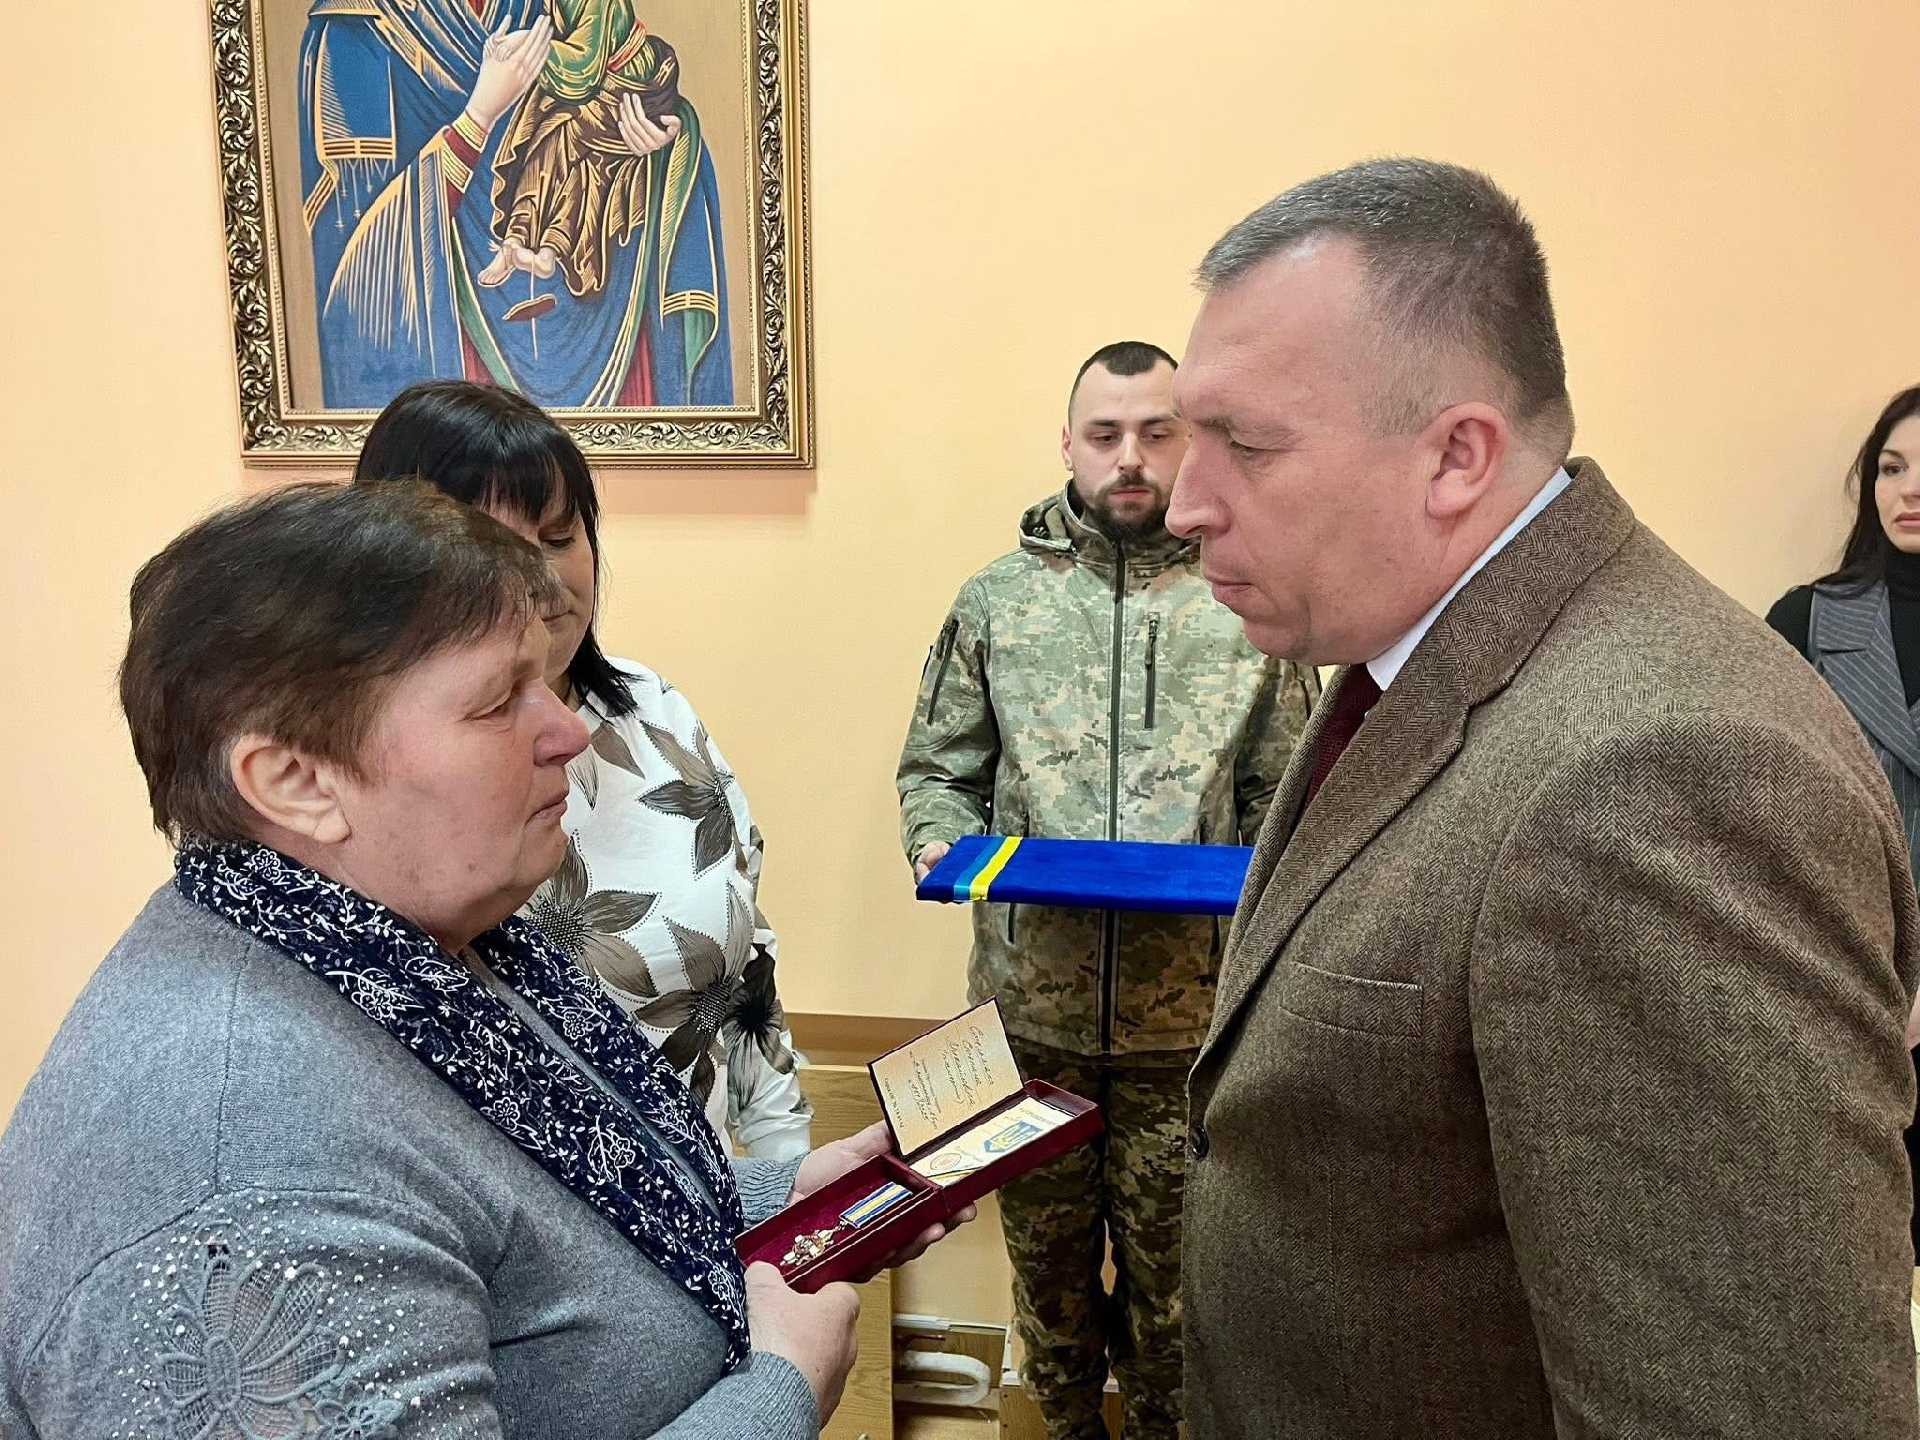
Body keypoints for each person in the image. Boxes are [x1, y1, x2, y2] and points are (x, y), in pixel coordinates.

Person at [1168, 159, 1920, 1438]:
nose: (1188, 502)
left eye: (1245, 444)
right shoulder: (1423, 662)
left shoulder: (1662, 774)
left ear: (1457, 456)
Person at [0, 480, 967, 1438]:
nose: (569, 731)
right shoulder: (252, 1194)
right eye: (500, 701)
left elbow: (531, 1217)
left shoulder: (391, 942)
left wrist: (772, 1202)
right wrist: (781, 1388)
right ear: (296, 780)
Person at [896, 341, 1317, 1440]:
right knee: (1050, 1295)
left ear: (1192, 440)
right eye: (1105, 434)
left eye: (1156, 432)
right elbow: (938, 770)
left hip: (1190, 1036)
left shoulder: (1248, 598)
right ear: (1068, 445)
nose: (1131, 458)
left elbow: (1292, 799)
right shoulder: (996, 602)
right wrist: (936, 847)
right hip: (1030, 1025)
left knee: (1181, 1306)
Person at [355, 380, 810, 1159]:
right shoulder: (378, 776)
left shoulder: (653, 709)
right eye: (493, 549)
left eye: (560, 536)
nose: (543, 579)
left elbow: (747, 967)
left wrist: (786, 1173)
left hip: (713, 1193)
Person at [297, 1, 731, 408]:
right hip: (448, 348)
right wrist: (478, 118)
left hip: (595, 311)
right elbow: (356, 258)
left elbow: (621, 75)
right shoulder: (358, 24)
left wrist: (648, 132)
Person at [1766, 383, 1920, 1248]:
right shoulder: (1806, 619)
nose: (1909, 490)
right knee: (1846, 1235)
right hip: (1838, 969)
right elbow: (1759, 807)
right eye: (1891, 468)